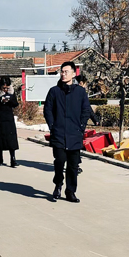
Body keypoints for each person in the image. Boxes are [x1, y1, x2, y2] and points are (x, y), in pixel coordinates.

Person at [43, 63, 93, 203]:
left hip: (75, 134)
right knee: (59, 162)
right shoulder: (54, 91)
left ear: (73, 74)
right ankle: (58, 184)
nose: (63, 74)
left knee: (73, 166)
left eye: (66, 72)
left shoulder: (80, 92)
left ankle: (70, 191)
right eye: (62, 71)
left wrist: (81, 127)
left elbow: (86, 110)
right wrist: (52, 126)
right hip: (58, 133)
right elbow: (48, 110)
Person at [0, 76, 20, 167]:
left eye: (7, 87)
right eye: (4, 87)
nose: (5, 89)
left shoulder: (11, 91)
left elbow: (15, 103)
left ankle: (13, 159)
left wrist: (9, 100)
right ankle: (0, 158)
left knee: (11, 139)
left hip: (8, 118)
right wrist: (0, 100)